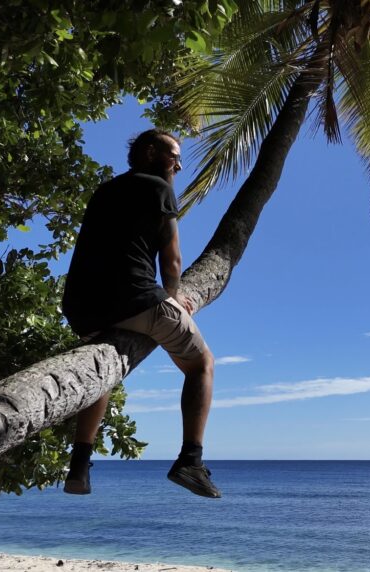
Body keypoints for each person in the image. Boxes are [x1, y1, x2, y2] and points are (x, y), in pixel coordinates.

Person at [60, 129, 220, 498]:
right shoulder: (158, 188)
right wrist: (175, 299)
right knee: (202, 364)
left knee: (103, 377)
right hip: (134, 298)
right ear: (151, 153)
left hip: (83, 308)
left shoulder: (104, 191)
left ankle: (78, 466)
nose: (178, 164)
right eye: (174, 156)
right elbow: (173, 260)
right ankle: (190, 461)